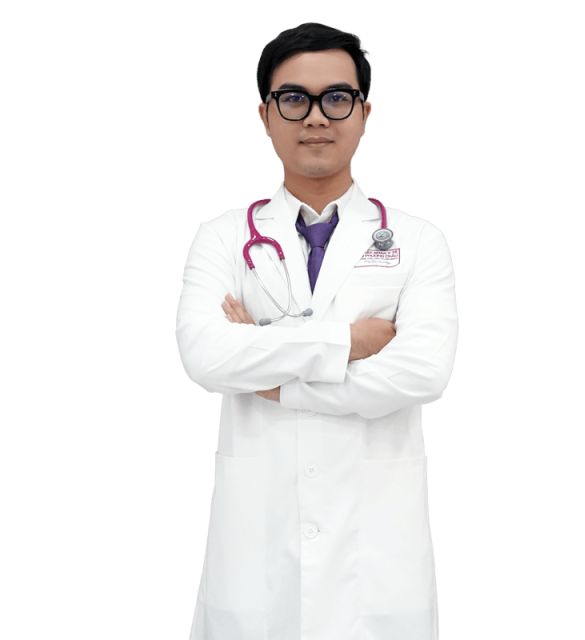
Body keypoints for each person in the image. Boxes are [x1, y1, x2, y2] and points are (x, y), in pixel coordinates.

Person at [176, 20, 459, 640]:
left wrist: (273, 377)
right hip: (256, 554)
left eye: (337, 97)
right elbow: (205, 355)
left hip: (375, 561)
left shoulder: (418, 242)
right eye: (293, 98)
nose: (315, 117)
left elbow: (421, 373)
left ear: (364, 112)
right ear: (264, 114)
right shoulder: (222, 238)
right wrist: (349, 343)